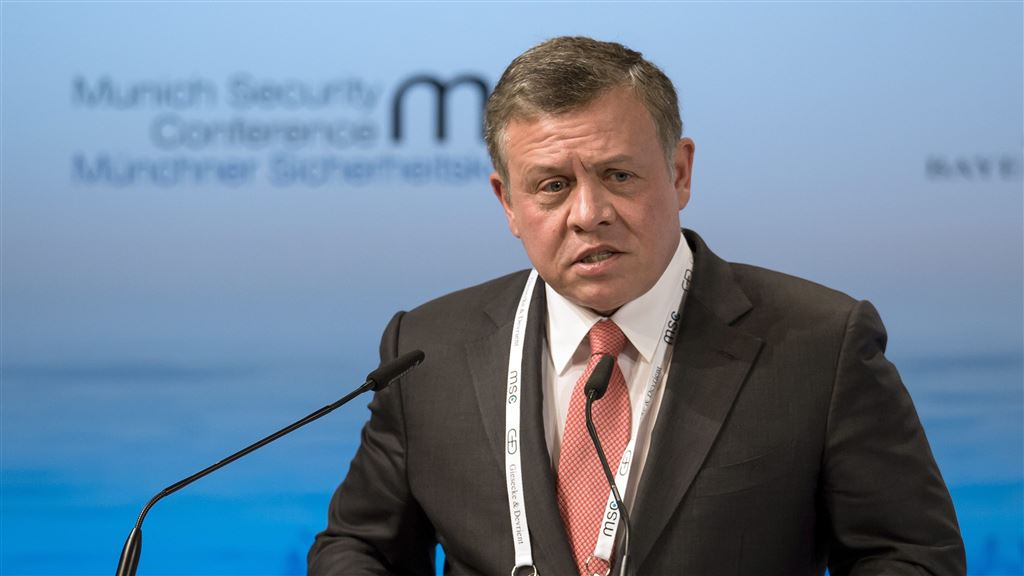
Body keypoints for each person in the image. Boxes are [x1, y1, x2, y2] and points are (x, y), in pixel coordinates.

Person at [308, 36, 965, 576]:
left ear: (679, 173)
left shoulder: (821, 343)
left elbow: (910, 556)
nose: (588, 213)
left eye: (618, 175)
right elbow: (358, 547)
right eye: (552, 186)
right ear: (507, 203)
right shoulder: (428, 352)